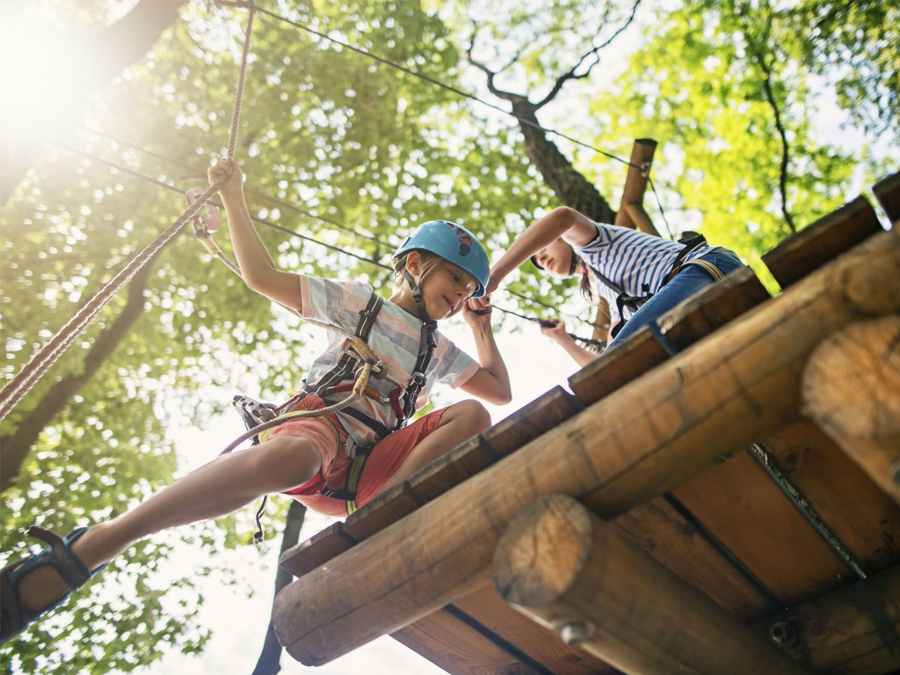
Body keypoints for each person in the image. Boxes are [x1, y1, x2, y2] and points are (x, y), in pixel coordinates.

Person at [0, 158, 511, 644]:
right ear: (415, 265)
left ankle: (385, 513)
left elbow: (497, 389)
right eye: (455, 281)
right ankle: (100, 543)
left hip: (371, 469)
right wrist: (234, 196)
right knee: (296, 454)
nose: (462, 295)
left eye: (469, 289)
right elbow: (263, 277)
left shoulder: (438, 350)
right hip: (320, 430)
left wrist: (480, 327)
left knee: (473, 413)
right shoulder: (360, 303)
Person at [474, 206, 745, 366]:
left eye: (543, 248)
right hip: (685, 294)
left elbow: (563, 217)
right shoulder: (608, 295)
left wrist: (495, 276)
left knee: (622, 360)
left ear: (563, 239)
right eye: (538, 263)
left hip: (706, 268)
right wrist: (562, 339)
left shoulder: (596, 244)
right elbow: (603, 367)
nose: (541, 258)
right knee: (614, 368)